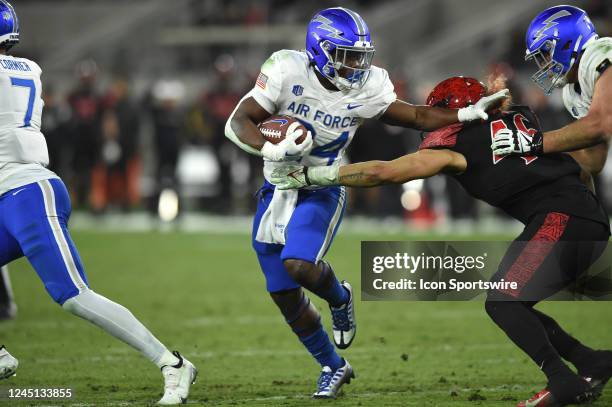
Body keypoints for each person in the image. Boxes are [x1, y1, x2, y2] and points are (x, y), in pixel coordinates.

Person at [271, 76, 612, 407]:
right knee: (511, 301)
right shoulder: (519, 121)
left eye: (440, 112)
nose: (434, 120)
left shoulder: (458, 145)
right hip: (582, 218)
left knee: (503, 301)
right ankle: (592, 362)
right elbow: (584, 168)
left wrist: (310, 175)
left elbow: (383, 172)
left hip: (561, 220)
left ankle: (562, 380)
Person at [225, 7, 507, 398]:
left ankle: (340, 297)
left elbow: (416, 116)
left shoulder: (368, 84)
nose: (357, 64)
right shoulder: (287, 69)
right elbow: (238, 122)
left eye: (360, 55)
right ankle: (332, 366)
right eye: (347, 55)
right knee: (283, 293)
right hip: (277, 188)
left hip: (323, 184)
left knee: (299, 264)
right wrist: (270, 148)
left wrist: (463, 113)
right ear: (320, 50)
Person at [0, 2, 196, 404]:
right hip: (12, 192)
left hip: (27, 193)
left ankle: (173, 364)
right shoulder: (28, 69)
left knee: (73, 295)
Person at [492, 5, 611, 177]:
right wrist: (531, 158)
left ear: (567, 42)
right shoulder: (573, 92)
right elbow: (593, 160)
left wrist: (533, 142)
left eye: (544, 55)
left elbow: (600, 124)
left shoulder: (600, 53)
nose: (543, 65)